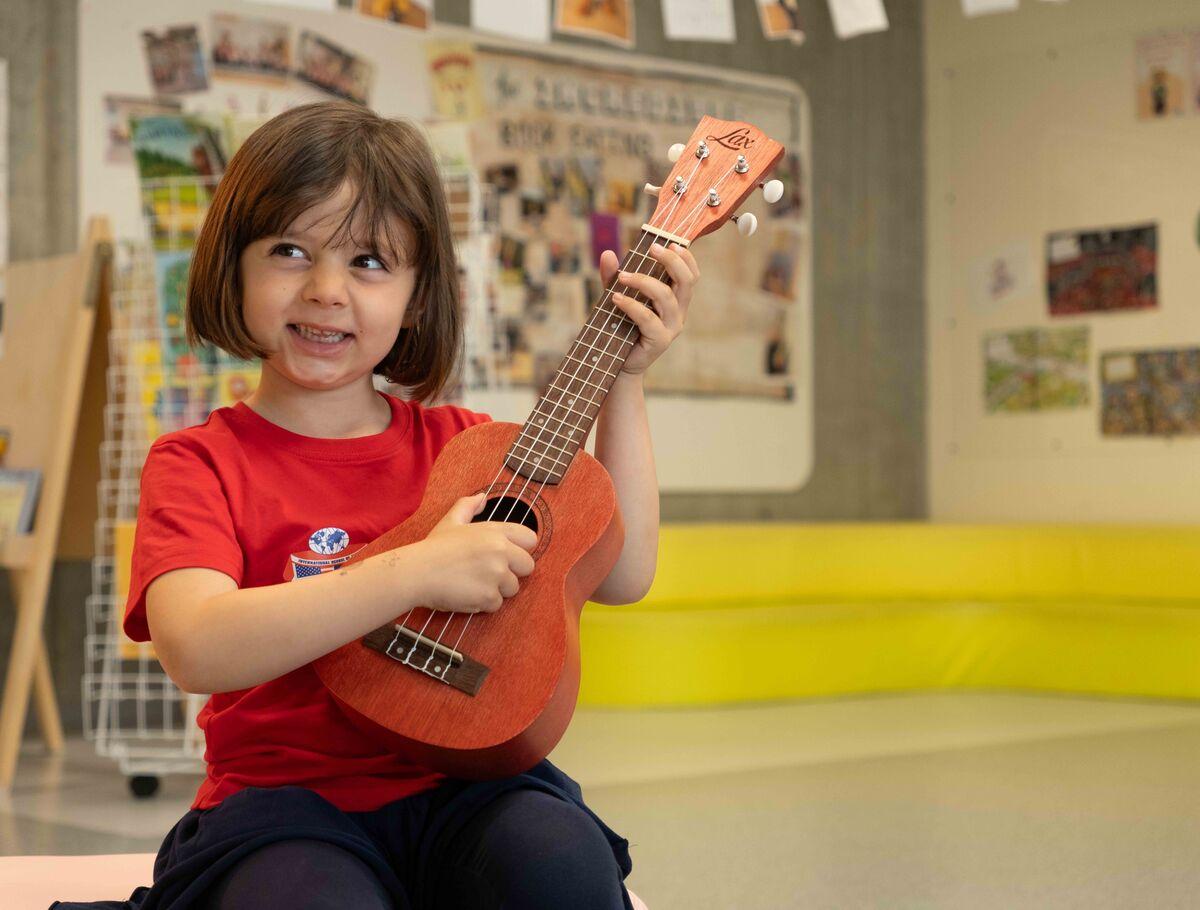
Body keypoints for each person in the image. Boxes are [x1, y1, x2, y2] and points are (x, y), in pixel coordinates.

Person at [54, 101, 697, 910]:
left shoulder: (471, 450)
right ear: (232, 268)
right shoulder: (196, 463)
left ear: (418, 295)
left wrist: (626, 381)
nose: (326, 290)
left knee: (562, 866)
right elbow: (198, 648)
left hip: (470, 787)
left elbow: (623, 573)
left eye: (369, 263)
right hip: (284, 806)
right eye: (289, 251)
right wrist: (412, 573)